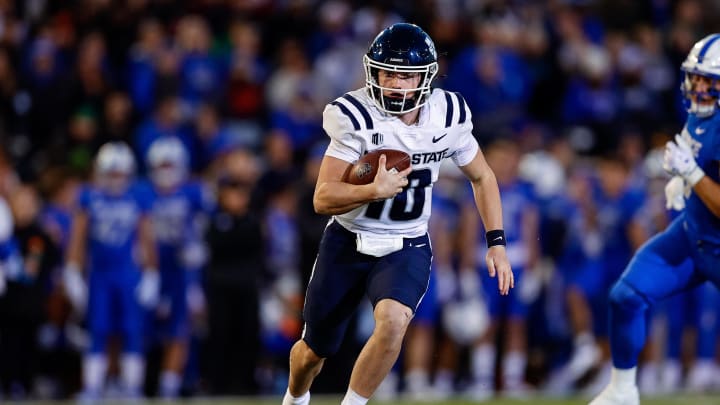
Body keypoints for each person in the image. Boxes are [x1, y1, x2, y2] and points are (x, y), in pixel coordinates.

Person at [281, 23, 514, 405]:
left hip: (406, 242)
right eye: (386, 72)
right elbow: (322, 197)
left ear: (425, 77)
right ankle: (294, 399)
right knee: (313, 352)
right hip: (349, 239)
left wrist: (497, 243)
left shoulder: (447, 114)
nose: (394, 84)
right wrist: (373, 189)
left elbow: (483, 176)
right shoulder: (356, 115)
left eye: (404, 75)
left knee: (393, 322)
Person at [590, 33, 720, 405]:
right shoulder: (701, 111)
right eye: (694, 77)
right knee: (625, 296)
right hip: (692, 235)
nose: (697, 86)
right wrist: (683, 181)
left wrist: (693, 175)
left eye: (707, 80)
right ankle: (623, 390)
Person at [62, 142, 159, 400]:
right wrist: (72, 270)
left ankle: (131, 388)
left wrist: (152, 272)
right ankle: (93, 387)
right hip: (100, 274)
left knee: (132, 329)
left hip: (128, 272)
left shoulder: (138, 195)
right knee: (98, 329)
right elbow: (78, 236)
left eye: (120, 174)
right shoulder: (89, 196)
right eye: (112, 173)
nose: (116, 179)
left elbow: (146, 235)